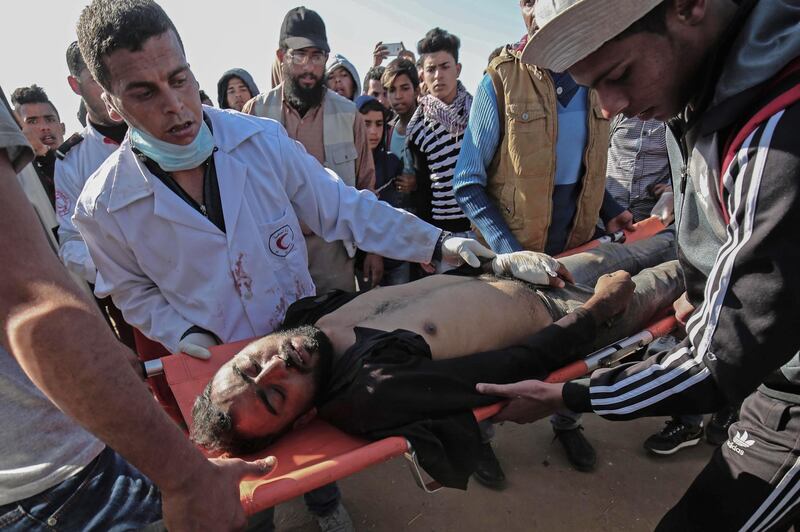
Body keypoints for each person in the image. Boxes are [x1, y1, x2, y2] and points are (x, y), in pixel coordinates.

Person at [72, 1, 494, 529]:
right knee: (252, 480)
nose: (177, 107)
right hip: (223, 362)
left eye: (179, 79)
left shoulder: (261, 142)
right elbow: (130, 290)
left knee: (318, 431)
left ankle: (325, 502)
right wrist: (181, 332)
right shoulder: (102, 203)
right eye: (144, 93)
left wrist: (436, 245)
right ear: (110, 100)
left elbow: (343, 207)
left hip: (297, 335)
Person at [478, 1, 800, 529]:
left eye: (619, 74)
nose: (609, 108)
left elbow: (719, 357)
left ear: (688, 6)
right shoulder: (713, 89)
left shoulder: (778, 130)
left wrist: (568, 394)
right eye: (593, 88)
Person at [191, 236, 682, 490]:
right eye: (275, 394)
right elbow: (510, 367)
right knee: (690, 264)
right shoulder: (369, 389)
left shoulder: (308, 318)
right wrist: (598, 310)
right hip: (573, 314)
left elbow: (426, 292)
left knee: (664, 237)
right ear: (303, 417)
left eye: (248, 366)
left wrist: (497, 262)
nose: (274, 367)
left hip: (545, 272)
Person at [0, 83, 272, 532]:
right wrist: (186, 479)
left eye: (179, 79)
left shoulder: (250, 137)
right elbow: (30, 306)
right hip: (56, 473)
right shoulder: (85, 172)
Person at [452, 0, 635, 476]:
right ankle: (481, 435)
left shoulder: (598, 76)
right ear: (527, 9)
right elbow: (468, 182)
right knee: (498, 351)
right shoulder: (502, 80)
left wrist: (613, 212)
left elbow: (589, 168)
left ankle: (568, 421)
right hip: (511, 249)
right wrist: (512, 256)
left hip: (575, 248)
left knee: (580, 341)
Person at [244, 7, 378, 295]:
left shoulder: (348, 114)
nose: (309, 67)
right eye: (299, 55)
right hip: (272, 256)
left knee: (339, 331)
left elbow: (366, 186)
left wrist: (374, 251)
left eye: (316, 56)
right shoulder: (255, 113)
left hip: (334, 252)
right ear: (282, 57)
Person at [55, 41, 135, 348]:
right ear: (75, 85)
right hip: (132, 302)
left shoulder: (160, 127)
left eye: (112, 74)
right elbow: (72, 243)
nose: (108, 88)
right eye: (94, 79)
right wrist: (122, 270)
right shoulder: (73, 160)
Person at [406, 28, 473, 245]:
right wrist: (430, 244)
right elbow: (424, 192)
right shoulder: (418, 129)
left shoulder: (479, 113)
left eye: (445, 67)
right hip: (445, 236)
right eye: (431, 69)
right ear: (422, 75)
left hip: (482, 229)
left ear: (458, 69)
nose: (438, 75)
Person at [355, 95, 411, 287]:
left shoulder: (391, 163)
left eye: (379, 124)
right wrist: (372, 251)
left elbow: (398, 209)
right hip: (360, 262)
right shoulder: (348, 167)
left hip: (396, 258)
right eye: (366, 123)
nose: (373, 131)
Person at [10, 85, 65, 206]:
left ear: (62, 128)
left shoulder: (86, 160)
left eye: (49, 119)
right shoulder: (18, 179)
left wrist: (43, 153)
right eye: (32, 121)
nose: (44, 127)